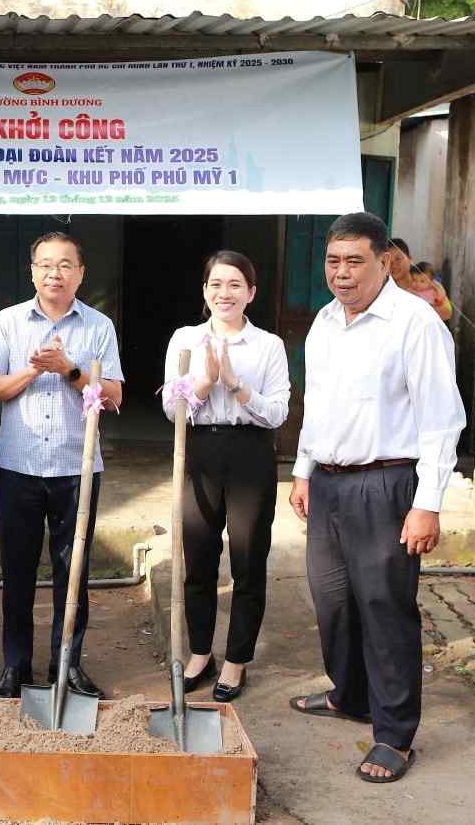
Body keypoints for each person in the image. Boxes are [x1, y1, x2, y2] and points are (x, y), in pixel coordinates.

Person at [288, 212, 465, 784]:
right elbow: (316, 403)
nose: (341, 274)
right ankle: (350, 696)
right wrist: (303, 470)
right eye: (333, 261)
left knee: (385, 609)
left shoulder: (415, 323)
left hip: (388, 483)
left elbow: (442, 420)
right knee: (332, 600)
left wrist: (428, 502)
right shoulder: (323, 322)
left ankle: (393, 735)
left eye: (354, 261)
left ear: (384, 261)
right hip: (331, 482)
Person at [0, 232, 124, 699]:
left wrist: (69, 369)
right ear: (32, 271)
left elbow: (114, 396)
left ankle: (68, 664)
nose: (54, 274)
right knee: (17, 572)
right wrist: (34, 370)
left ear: (81, 273)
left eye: (65, 265)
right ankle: (14, 666)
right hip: (17, 466)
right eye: (45, 265)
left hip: (75, 466)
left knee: (73, 570)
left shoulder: (99, 327)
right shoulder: (8, 322)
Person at [162, 251, 290, 702]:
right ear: (204, 291)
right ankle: (201, 652)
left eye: (235, 284)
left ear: (251, 293)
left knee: (248, 560)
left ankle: (236, 661)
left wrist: (234, 383)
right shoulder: (185, 340)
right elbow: (170, 407)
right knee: (197, 558)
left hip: (251, 452)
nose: (224, 293)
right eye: (216, 284)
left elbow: (277, 412)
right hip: (199, 449)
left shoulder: (268, 346)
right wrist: (204, 382)